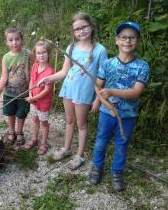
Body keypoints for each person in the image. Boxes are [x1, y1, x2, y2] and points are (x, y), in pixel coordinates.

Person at [38, 12, 107, 169]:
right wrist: (47, 78)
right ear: (73, 32)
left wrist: (97, 98)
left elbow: (102, 77)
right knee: (69, 120)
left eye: (84, 27)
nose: (81, 31)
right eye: (77, 29)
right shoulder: (71, 47)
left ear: (91, 27)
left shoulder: (100, 50)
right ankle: (67, 148)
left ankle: (80, 155)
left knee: (81, 124)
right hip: (68, 89)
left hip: (84, 93)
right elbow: (64, 71)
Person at [88, 22, 149, 191]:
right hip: (107, 113)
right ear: (117, 40)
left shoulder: (142, 66)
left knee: (122, 143)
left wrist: (112, 91)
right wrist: (104, 101)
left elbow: (136, 92)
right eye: (123, 37)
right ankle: (97, 167)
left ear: (137, 41)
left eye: (132, 37)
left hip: (128, 115)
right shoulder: (107, 64)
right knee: (101, 140)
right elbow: (98, 86)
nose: (127, 41)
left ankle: (117, 172)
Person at [0, 27, 32, 145]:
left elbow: (36, 66)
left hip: (24, 92)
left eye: (17, 39)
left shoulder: (27, 53)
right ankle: (11, 131)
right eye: (11, 40)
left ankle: (19, 132)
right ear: (6, 42)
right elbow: (4, 76)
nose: (14, 42)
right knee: (10, 113)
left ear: (22, 40)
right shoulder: (6, 57)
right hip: (9, 93)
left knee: (21, 113)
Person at [24, 40, 54, 155]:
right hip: (34, 101)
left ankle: (44, 143)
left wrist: (34, 98)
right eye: (39, 53)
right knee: (35, 120)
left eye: (44, 52)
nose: (41, 55)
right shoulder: (35, 66)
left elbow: (47, 90)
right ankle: (34, 139)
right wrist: (31, 94)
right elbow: (32, 81)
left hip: (43, 103)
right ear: (35, 54)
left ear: (48, 54)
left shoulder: (50, 71)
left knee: (43, 122)